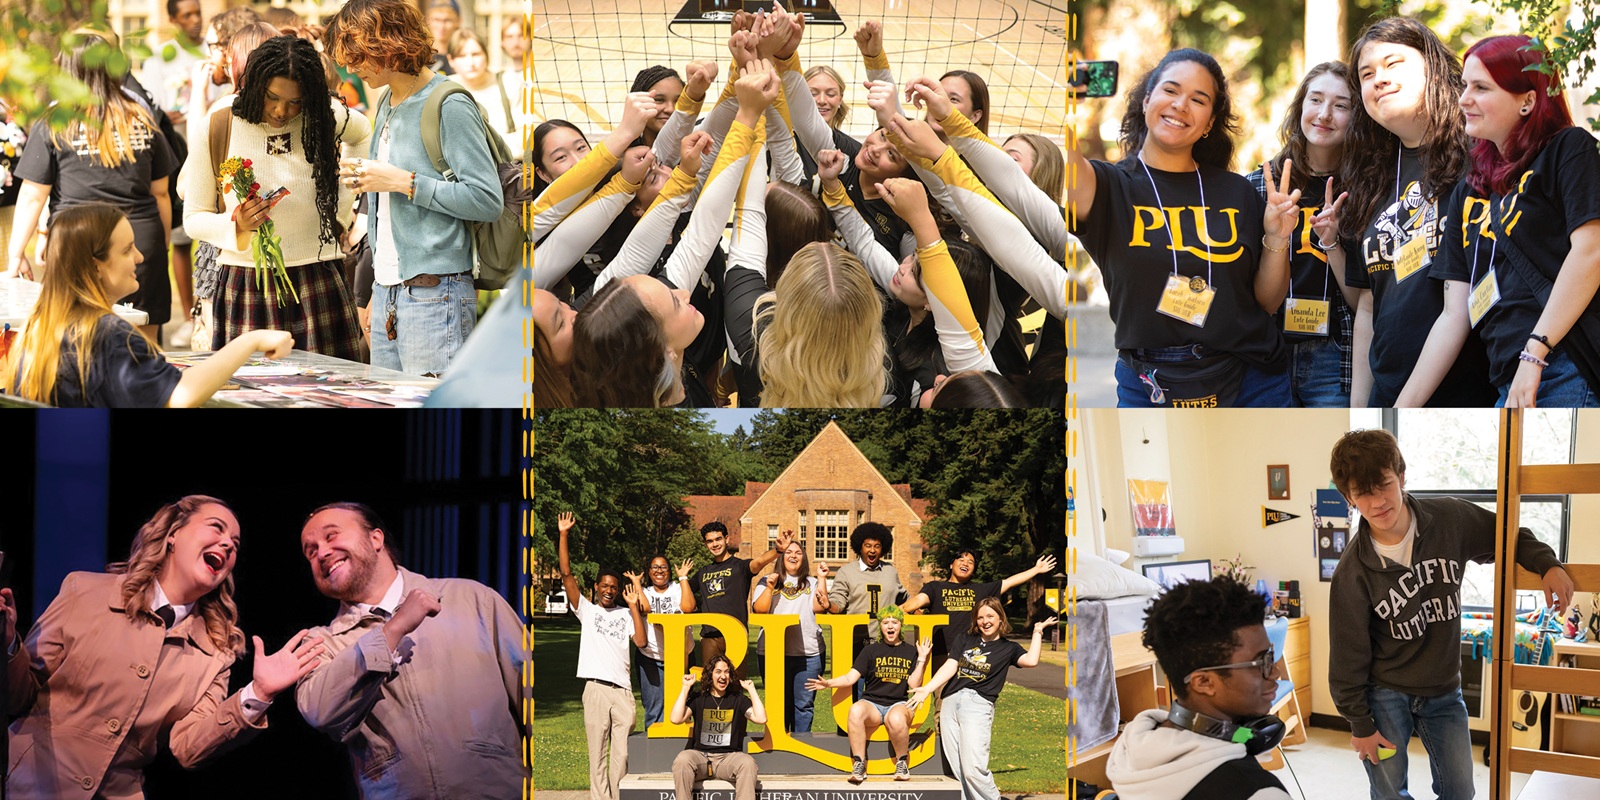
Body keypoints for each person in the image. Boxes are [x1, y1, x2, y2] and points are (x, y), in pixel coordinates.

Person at [1, 495, 323, 799]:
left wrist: (257, 694)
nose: (227, 544)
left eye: (235, 545)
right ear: (173, 534)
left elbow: (188, 747)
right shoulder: (84, 592)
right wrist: (8, 644)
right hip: (32, 784)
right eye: (216, 527)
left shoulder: (216, 652)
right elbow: (19, 697)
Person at [1327, 429, 1574, 799]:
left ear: (1402, 476)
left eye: (1384, 485)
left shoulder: (1449, 519)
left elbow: (1507, 534)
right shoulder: (1352, 570)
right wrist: (1359, 724)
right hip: (1383, 693)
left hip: (1443, 687)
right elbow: (1347, 654)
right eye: (1363, 493)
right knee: (1389, 793)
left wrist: (1547, 563)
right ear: (1348, 497)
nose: (1378, 501)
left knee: (1461, 791)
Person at [1067, 48, 1298, 407]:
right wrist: (1068, 103)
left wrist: (1277, 236)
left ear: (1208, 124)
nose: (1180, 105)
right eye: (1171, 91)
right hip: (1148, 384)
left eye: (1198, 99)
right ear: (1146, 101)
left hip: (1252, 380)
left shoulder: (1237, 191)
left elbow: (1267, 302)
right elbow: (1062, 165)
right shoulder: (1109, 185)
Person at [1398, 34, 1600, 408]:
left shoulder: (1568, 149)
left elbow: (1591, 252)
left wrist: (1535, 351)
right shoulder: (1469, 189)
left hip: (1563, 363)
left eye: (1481, 87)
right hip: (1509, 377)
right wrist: (1402, 409)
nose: (1464, 99)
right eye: (1464, 86)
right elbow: (1454, 314)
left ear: (1528, 100)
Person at [295, 502, 527, 800]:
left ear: (375, 539)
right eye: (310, 551)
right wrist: (392, 632)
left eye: (331, 536)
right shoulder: (322, 643)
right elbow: (320, 713)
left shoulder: (470, 599)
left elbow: (531, 696)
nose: (322, 553)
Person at [326, 0, 504, 378]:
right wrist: (377, 287)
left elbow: (487, 200)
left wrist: (404, 182)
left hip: (436, 295)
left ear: (385, 45)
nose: (349, 67)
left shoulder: (449, 103)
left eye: (356, 55)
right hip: (389, 291)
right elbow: (386, 213)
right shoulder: (389, 99)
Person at [1336, 17, 1494, 407]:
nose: (1379, 80)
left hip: (1465, 395)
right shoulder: (1368, 181)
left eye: (1394, 64)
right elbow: (1369, 307)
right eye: (1367, 74)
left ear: (1432, 67)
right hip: (1387, 395)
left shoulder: (1480, 159)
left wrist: (1404, 409)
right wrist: (1360, 410)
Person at [181, 34, 371, 359]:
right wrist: (236, 224)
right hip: (244, 283)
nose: (282, 110)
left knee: (328, 396)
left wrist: (338, 211)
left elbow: (363, 132)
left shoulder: (324, 116)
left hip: (319, 275)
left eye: (295, 101)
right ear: (254, 85)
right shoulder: (216, 126)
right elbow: (193, 220)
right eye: (272, 97)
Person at [4, 204, 294, 406]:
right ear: (95, 267)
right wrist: (251, 340)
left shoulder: (38, 329)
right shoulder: (109, 334)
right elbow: (180, 395)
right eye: (127, 249)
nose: (140, 257)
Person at [8, 28, 174, 341]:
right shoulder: (141, 116)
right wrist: (158, 247)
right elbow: (161, 193)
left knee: (75, 339)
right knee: (144, 342)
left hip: (78, 242)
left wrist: (16, 254)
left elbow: (32, 195)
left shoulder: (56, 120)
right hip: (138, 241)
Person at [1104, 576, 1292, 800]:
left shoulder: (1128, 755)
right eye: (1261, 663)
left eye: (1271, 658)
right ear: (1204, 682)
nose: (1275, 673)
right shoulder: (1258, 792)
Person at [1246, 62, 1358, 407]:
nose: (1324, 114)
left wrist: (1334, 240)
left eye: (1341, 105)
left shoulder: (1365, 191)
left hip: (1334, 356)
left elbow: (1366, 300)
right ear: (1299, 109)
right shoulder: (1258, 187)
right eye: (1316, 100)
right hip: (1269, 353)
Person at [906, 598, 1057, 800]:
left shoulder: (1008, 648)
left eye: (990, 616)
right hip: (950, 702)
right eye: (980, 617)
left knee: (973, 768)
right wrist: (927, 689)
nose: (985, 621)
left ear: (1000, 618)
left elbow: (1031, 660)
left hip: (977, 706)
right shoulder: (965, 639)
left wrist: (1037, 631)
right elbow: (950, 667)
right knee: (958, 767)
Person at [555, 511, 647, 800]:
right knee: (597, 755)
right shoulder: (588, 611)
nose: (609, 590)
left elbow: (642, 642)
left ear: (619, 591)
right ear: (596, 587)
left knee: (620, 757)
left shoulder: (625, 612)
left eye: (614, 587)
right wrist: (564, 534)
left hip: (622, 692)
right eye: (604, 585)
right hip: (595, 689)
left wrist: (633, 607)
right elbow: (567, 574)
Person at [805, 606, 931, 782]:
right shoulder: (870, 650)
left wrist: (922, 658)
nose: (890, 626)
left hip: (898, 703)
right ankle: (859, 763)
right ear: (880, 626)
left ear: (901, 625)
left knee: (895, 719)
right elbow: (851, 678)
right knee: (855, 710)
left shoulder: (910, 651)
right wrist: (828, 683)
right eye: (886, 622)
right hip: (872, 704)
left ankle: (902, 762)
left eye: (894, 622)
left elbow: (913, 684)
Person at [902, 550, 1058, 670]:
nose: (966, 563)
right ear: (951, 564)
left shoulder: (980, 590)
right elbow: (915, 603)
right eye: (961, 559)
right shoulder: (935, 587)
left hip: (971, 653)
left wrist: (1036, 570)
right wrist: (904, 610)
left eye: (970, 562)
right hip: (941, 653)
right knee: (943, 703)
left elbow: (1010, 582)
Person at [750, 537, 828, 734]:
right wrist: (769, 588)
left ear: (804, 559)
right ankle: (779, 748)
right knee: (778, 704)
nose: (793, 556)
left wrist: (823, 579)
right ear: (781, 557)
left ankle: (801, 747)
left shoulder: (811, 582)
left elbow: (820, 607)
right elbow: (759, 610)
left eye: (798, 553)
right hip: (772, 652)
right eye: (789, 552)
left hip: (808, 654)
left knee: (804, 706)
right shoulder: (766, 580)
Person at [691, 522, 784, 678]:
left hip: (736, 635)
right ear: (706, 544)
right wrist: (681, 577)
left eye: (718, 539)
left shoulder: (740, 567)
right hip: (710, 636)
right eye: (710, 541)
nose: (715, 544)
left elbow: (760, 561)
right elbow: (683, 592)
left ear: (727, 539)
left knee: (735, 684)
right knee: (710, 684)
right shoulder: (703, 572)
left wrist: (778, 550)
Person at [668, 655, 768, 800]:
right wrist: (685, 688)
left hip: (728, 759)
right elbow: (676, 719)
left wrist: (751, 690)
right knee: (682, 759)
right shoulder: (699, 698)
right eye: (718, 672)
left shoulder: (737, 698)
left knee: (748, 763)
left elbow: (761, 718)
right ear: (710, 675)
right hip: (701, 757)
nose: (723, 676)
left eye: (726, 672)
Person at [624, 554, 698, 726]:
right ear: (649, 572)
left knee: (684, 706)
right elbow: (644, 609)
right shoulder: (645, 592)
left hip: (682, 656)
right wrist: (636, 583)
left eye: (663, 567)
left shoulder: (678, 588)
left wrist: (683, 577)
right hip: (652, 658)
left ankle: (683, 747)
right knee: (654, 707)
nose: (659, 571)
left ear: (669, 571)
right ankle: (655, 749)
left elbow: (688, 607)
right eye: (655, 567)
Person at [447, 29, 519, 150]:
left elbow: (526, 137)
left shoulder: (509, 83)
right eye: (462, 56)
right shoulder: (442, 89)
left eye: (476, 54)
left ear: (486, 55)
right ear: (451, 60)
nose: (470, 62)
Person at [424, 0, 460, 75]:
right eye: (437, 20)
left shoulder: (463, 55)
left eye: (447, 20)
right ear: (428, 20)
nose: (441, 27)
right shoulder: (421, 55)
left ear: (458, 21)